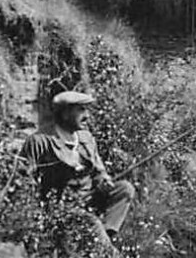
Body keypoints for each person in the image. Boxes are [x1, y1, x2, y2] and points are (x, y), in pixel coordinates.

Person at [20, 90, 135, 240]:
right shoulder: (39, 141)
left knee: (125, 189)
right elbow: (24, 180)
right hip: (61, 208)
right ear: (65, 113)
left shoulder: (85, 138)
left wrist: (104, 181)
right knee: (93, 224)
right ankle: (109, 255)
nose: (87, 116)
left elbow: (99, 171)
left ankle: (106, 237)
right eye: (81, 110)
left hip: (88, 201)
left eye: (87, 109)